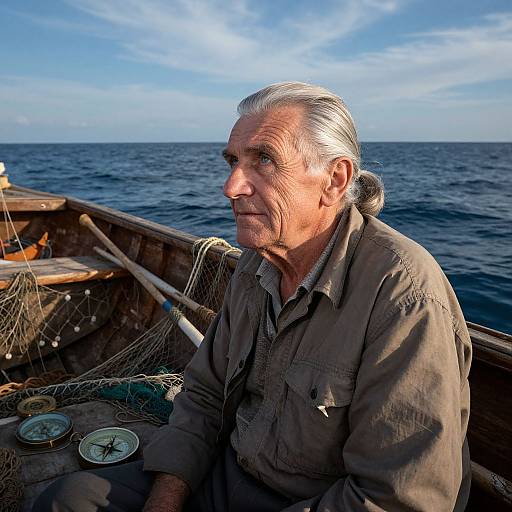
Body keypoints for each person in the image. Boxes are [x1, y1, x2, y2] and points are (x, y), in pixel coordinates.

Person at [34, 82, 472, 512]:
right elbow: (204, 394)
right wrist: (166, 499)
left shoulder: (403, 296)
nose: (231, 187)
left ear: (334, 180)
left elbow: (396, 497)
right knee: (67, 499)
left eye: (263, 159)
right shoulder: (256, 263)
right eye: (233, 161)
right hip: (229, 472)